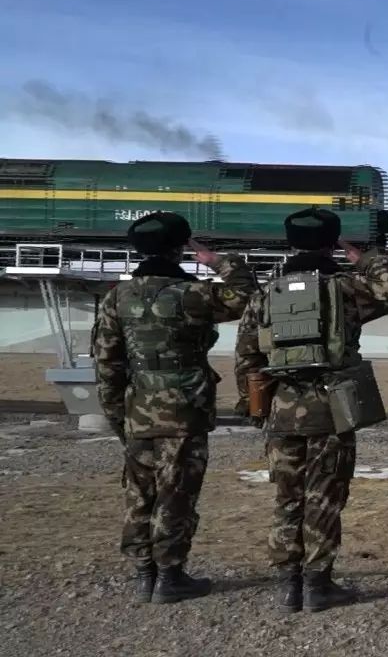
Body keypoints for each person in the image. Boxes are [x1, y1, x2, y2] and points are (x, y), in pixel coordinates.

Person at [235, 208, 388, 613]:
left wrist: (255, 407)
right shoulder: (347, 290)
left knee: (288, 495)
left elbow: (247, 357)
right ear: (333, 243)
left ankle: (288, 584)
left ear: (289, 242)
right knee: (325, 496)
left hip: (281, 408)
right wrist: (367, 259)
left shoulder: (265, 294)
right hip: (333, 408)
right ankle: (318, 584)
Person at [92, 211, 258, 604]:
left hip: (137, 410)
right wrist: (218, 261)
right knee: (176, 492)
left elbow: (106, 364)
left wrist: (118, 417)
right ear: (179, 248)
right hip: (185, 410)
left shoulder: (117, 298)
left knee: (140, 493)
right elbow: (248, 296)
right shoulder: (192, 295)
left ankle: (144, 574)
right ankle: (170, 576)